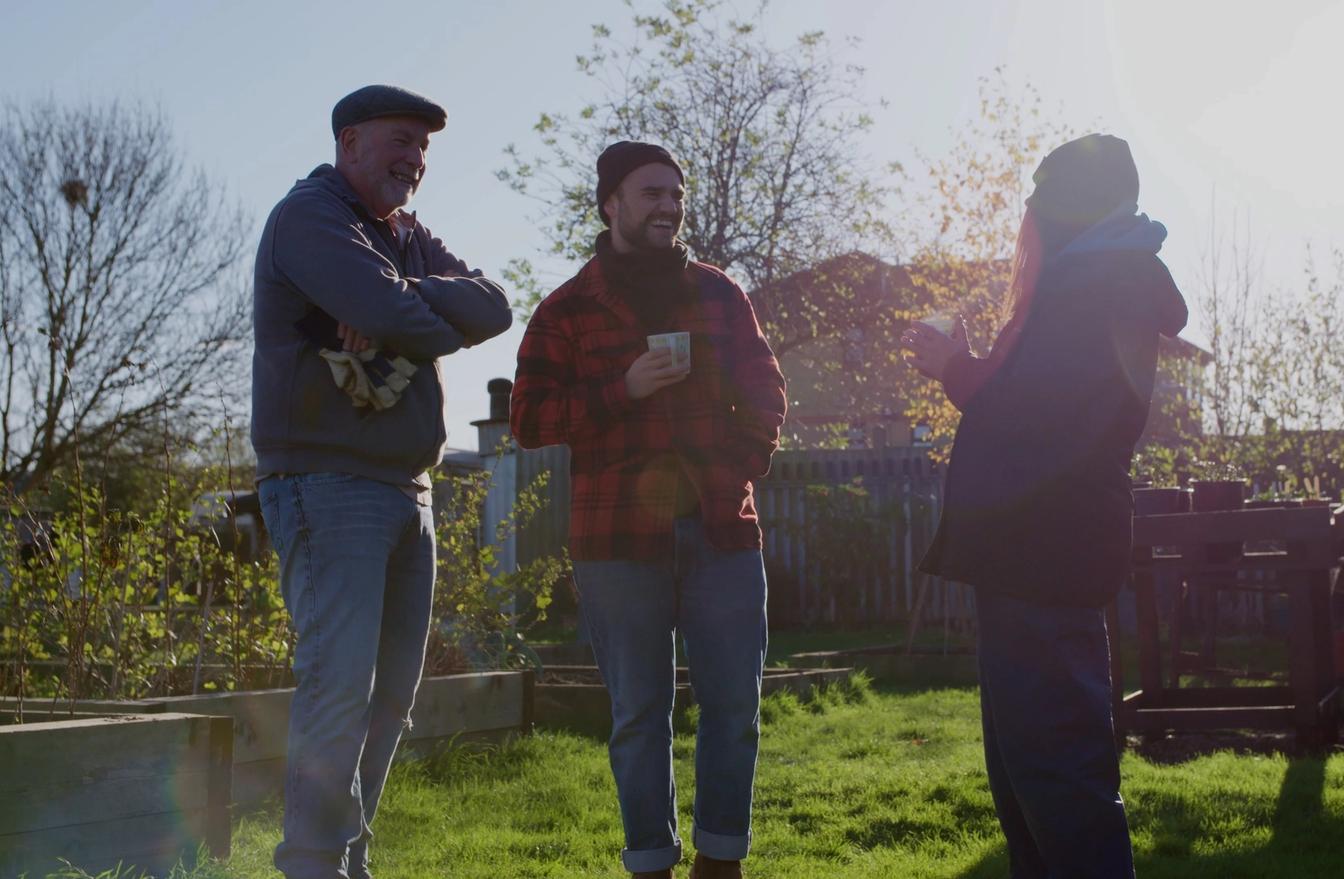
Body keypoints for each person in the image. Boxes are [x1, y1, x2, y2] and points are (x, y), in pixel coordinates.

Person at [901, 133, 1187, 879]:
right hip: (1033, 556)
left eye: (1041, 197)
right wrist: (969, 363)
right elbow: (1041, 398)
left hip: (1046, 554)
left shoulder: (1100, 281)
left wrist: (954, 367)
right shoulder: (1095, 278)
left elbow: (1040, 410)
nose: (1029, 214)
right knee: (1030, 776)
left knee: (1059, 774)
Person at [251, 84, 512, 879]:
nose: (415, 159)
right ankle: (311, 864)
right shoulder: (311, 216)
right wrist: (408, 311)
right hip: (326, 484)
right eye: (402, 140)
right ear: (351, 139)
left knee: (390, 698)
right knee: (338, 685)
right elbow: (389, 309)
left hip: (408, 488)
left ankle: (345, 858)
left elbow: (496, 306)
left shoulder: (402, 233)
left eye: (424, 149)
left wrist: (404, 302)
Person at [510, 141, 787, 879]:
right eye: (650, 193)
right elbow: (528, 418)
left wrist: (737, 467)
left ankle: (721, 861)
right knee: (639, 714)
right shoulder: (567, 309)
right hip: (614, 540)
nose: (667, 206)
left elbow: (765, 391)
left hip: (722, 528)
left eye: (675, 194)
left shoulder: (720, 294)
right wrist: (620, 389)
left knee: (734, 704)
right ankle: (650, 863)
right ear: (611, 203)